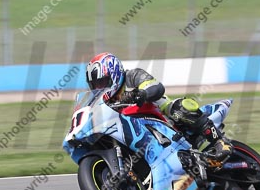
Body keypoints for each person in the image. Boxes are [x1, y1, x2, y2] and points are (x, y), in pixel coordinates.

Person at [86, 51, 232, 166]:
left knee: (179, 108)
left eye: (103, 82)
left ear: (114, 73)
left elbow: (156, 87)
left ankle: (220, 141)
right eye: (96, 85)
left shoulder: (132, 76)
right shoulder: (106, 103)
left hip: (162, 116)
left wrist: (142, 93)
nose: (101, 88)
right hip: (137, 133)